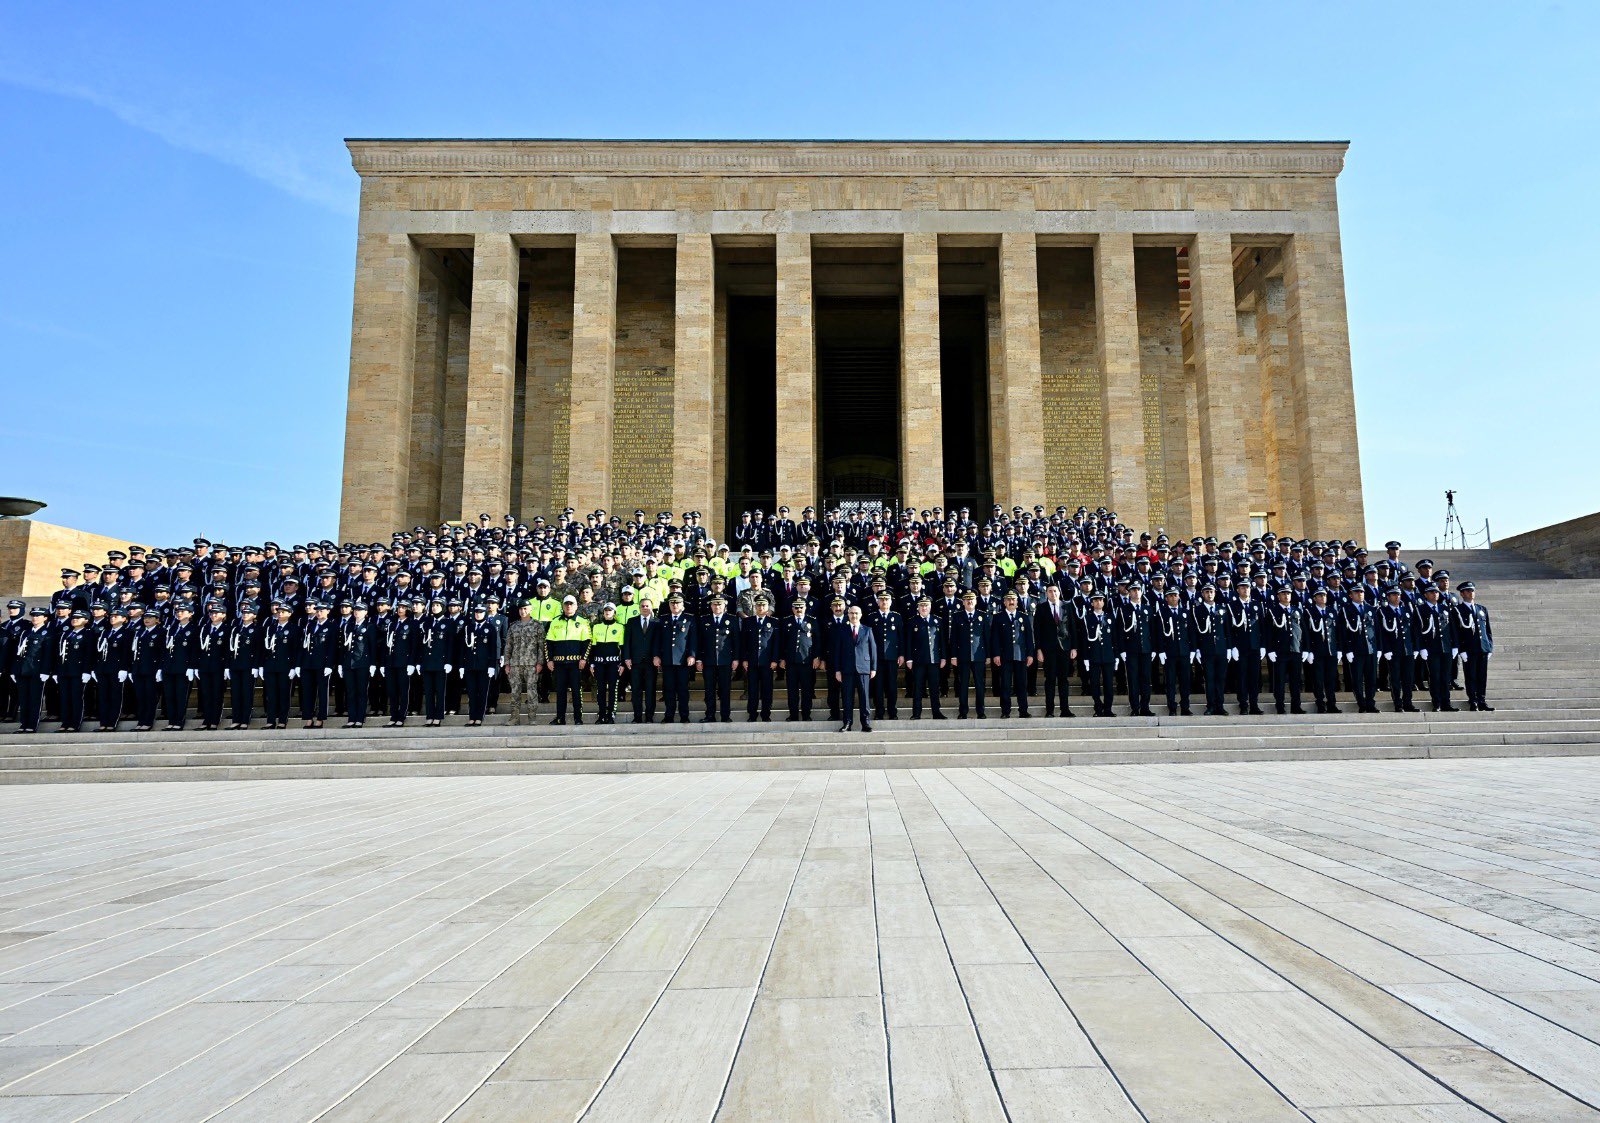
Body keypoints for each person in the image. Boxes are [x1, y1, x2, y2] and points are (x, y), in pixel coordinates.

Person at [833, 603, 877, 732]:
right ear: (848, 615)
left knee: (864, 697)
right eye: (851, 613)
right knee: (847, 697)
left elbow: (873, 650)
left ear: (861, 615)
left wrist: (873, 668)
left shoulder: (867, 630)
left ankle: (866, 723)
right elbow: (837, 652)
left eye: (856, 613)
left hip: (863, 668)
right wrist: (837, 670)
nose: (854, 615)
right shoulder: (842, 630)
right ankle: (847, 723)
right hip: (847, 669)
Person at [545, 596, 590, 725]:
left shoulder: (583, 622)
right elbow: (548, 643)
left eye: (571, 604)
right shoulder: (555, 621)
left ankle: (578, 718)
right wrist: (549, 660)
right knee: (560, 692)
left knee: (576, 691)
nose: (569, 606)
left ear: (576, 606)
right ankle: (560, 718)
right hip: (559, 664)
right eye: (566, 604)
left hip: (576, 664)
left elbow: (587, 642)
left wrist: (584, 658)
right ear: (563, 606)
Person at [990, 590, 1034, 718]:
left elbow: (1029, 638)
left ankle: (1023, 711)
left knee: (1021, 684)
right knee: (1005, 685)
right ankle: (1005, 711)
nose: (1011, 602)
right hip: (1005, 656)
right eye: (1008, 599)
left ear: (1017, 602)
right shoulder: (998, 617)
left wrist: (1030, 654)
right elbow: (994, 638)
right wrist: (996, 654)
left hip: (1020, 656)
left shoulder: (1023, 617)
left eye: (1013, 599)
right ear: (1004, 602)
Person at [1034, 584, 1076, 718]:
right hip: (1048, 650)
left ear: (1059, 592)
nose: (1053, 593)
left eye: (1055, 591)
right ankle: (1050, 711)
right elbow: (1037, 630)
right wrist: (1038, 649)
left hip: (1064, 649)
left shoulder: (1067, 606)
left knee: (1064, 680)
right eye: (1050, 591)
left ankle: (1065, 710)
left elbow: (1072, 627)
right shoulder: (1041, 608)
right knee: (1050, 680)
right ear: (1046, 594)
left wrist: (1074, 647)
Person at [505, 598, 547, 725]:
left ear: (530, 609)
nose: (523, 611)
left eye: (525, 609)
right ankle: (514, 718)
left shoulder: (537, 625)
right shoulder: (513, 626)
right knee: (515, 692)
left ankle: (532, 718)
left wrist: (540, 663)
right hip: (515, 664)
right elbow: (508, 646)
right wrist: (507, 663)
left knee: (532, 692)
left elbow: (541, 646)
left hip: (531, 664)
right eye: (521, 609)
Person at [655, 594, 697, 723]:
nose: (675, 605)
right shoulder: (663, 619)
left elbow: (693, 639)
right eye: (672, 603)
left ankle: (684, 715)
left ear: (683, 605)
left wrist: (692, 655)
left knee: (683, 689)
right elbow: (657, 640)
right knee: (669, 689)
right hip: (667, 660)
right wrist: (656, 655)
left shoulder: (689, 619)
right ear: (669, 605)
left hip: (683, 660)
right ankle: (669, 715)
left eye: (678, 603)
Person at [1454, 581, 1494, 711]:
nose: (1471, 593)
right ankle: (1473, 700)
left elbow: (1487, 630)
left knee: (1482, 676)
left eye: (1472, 591)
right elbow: (1456, 632)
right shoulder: (1458, 610)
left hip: (1482, 648)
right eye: (1468, 591)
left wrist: (1489, 647)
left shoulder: (1482, 609)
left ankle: (1482, 700)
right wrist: (1461, 650)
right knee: (1470, 676)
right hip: (1469, 649)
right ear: (1462, 594)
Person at [697, 596, 739, 723]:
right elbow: (699, 641)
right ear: (711, 606)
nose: (717, 606)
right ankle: (710, 715)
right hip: (708, 661)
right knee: (709, 690)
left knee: (725, 690)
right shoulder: (704, 619)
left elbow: (736, 641)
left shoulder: (732, 619)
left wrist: (736, 658)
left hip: (725, 661)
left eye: (720, 604)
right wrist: (699, 659)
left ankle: (725, 716)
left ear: (724, 605)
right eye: (714, 604)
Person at [12, 608, 52, 733]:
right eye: (33, 615)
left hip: (37, 671)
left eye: (38, 616)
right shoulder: (25, 632)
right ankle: (23, 724)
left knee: (35, 699)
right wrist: (15, 670)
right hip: (23, 670)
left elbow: (48, 654)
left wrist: (45, 671)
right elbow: (19, 652)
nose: (35, 618)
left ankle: (32, 725)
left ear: (45, 618)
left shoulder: (48, 632)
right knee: (23, 699)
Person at [905, 597, 946, 720]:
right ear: (918, 607)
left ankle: (936, 712)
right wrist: (909, 659)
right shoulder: (912, 621)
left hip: (934, 660)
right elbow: (908, 642)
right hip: (918, 661)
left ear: (930, 607)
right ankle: (916, 713)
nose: (924, 608)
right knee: (918, 688)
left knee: (934, 688)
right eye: (921, 605)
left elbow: (942, 641)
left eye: (926, 605)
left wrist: (943, 657)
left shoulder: (937, 620)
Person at [950, 590, 988, 719]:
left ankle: (981, 712)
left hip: (979, 656)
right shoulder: (957, 616)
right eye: (967, 599)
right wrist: (953, 656)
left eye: (972, 599)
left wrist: (988, 655)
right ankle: (963, 712)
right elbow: (953, 638)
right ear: (963, 602)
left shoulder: (982, 615)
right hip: (963, 656)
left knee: (980, 685)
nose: (969, 601)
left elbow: (986, 637)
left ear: (976, 601)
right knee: (963, 685)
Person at [418, 598, 455, 727]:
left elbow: (450, 644)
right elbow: (421, 644)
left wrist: (448, 661)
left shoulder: (449, 623)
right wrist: (419, 661)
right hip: (427, 662)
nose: (434, 607)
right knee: (428, 692)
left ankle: (438, 716)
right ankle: (429, 716)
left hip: (440, 662)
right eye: (433, 605)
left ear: (443, 608)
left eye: (437, 605)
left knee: (439, 691)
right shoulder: (427, 622)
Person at [779, 597, 818, 722]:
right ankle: (793, 715)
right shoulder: (786, 621)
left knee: (807, 690)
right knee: (792, 691)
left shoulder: (812, 621)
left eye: (801, 607)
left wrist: (816, 657)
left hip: (807, 661)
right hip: (791, 662)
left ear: (805, 608)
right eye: (796, 607)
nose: (799, 609)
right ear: (792, 609)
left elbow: (818, 641)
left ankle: (806, 715)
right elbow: (782, 642)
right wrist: (782, 658)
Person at [741, 596, 779, 722]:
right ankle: (752, 715)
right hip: (752, 662)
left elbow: (776, 643)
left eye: (763, 605)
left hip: (767, 662)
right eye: (758, 605)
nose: (761, 607)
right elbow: (744, 642)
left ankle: (766, 714)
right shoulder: (748, 621)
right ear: (755, 606)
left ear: (768, 607)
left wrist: (775, 660)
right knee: (752, 690)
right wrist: (744, 659)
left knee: (767, 690)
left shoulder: (774, 622)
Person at [261, 601, 298, 729]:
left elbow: (295, 649)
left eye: (283, 612)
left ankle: (282, 720)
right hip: (270, 665)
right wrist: (262, 665)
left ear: (290, 614)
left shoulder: (294, 629)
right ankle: (271, 720)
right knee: (270, 695)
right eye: (279, 612)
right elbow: (264, 648)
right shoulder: (270, 628)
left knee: (284, 694)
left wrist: (294, 667)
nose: (280, 614)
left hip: (285, 666)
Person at [867, 591, 903, 721]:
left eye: (887, 599)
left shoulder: (897, 617)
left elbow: (901, 637)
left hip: (892, 657)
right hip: (877, 658)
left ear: (891, 602)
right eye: (881, 599)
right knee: (878, 686)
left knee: (892, 685)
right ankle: (879, 712)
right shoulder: (871, 617)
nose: (884, 602)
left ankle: (892, 712)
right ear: (877, 602)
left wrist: (901, 654)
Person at [622, 596, 658, 723]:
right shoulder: (632, 621)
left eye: (647, 606)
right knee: (636, 691)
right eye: (642, 606)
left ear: (651, 607)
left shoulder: (656, 622)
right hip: (635, 662)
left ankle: (649, 717)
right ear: (639, 608)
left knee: (650, 690)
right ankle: (637, 717)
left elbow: (658, 642)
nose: (645, 608)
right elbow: (626, 641)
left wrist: (657, 656)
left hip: (651, 662)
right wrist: (626, 657)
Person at [1081, 592, 1117, 717]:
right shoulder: (1087, 618)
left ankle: (1108, 709)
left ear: (1104, 602)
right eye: (1095, 600)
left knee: (1108, 684)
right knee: (1094, 684)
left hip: (1108, 655)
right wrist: (1085, 657)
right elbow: (1084, 640)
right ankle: (1098, 708)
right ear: (1092, 603)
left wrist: (1116, 655)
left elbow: (1115, 638)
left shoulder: (1110, 617)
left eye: (1101, 600)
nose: (1098, 602)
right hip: (1093, 655)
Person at [226, 602, 261, 729]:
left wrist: (256, 666)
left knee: (246, 693)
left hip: (248, 666)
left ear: (254, 615)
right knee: (235, 693)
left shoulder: (257, 629)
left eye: (248, 613)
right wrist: (227, 666)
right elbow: (229, 649)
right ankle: (236, 719)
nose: (245, 615)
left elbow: (258, 650)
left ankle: (245, 719)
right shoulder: (235, 629)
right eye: (244, 613)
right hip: (235, 665)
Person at [589, 602, 625, 724]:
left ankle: (611, 714)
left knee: (613, 689)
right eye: (606, 610)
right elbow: (593, 647)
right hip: (599, 663)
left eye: (610, 610)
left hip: (613, 664)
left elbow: (623, 647)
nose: (607, 612)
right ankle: (602, 714)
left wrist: (622, 664)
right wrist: (592, 663)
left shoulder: (620, 627)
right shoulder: (596, 627)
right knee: (601, 690)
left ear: (614, 613)